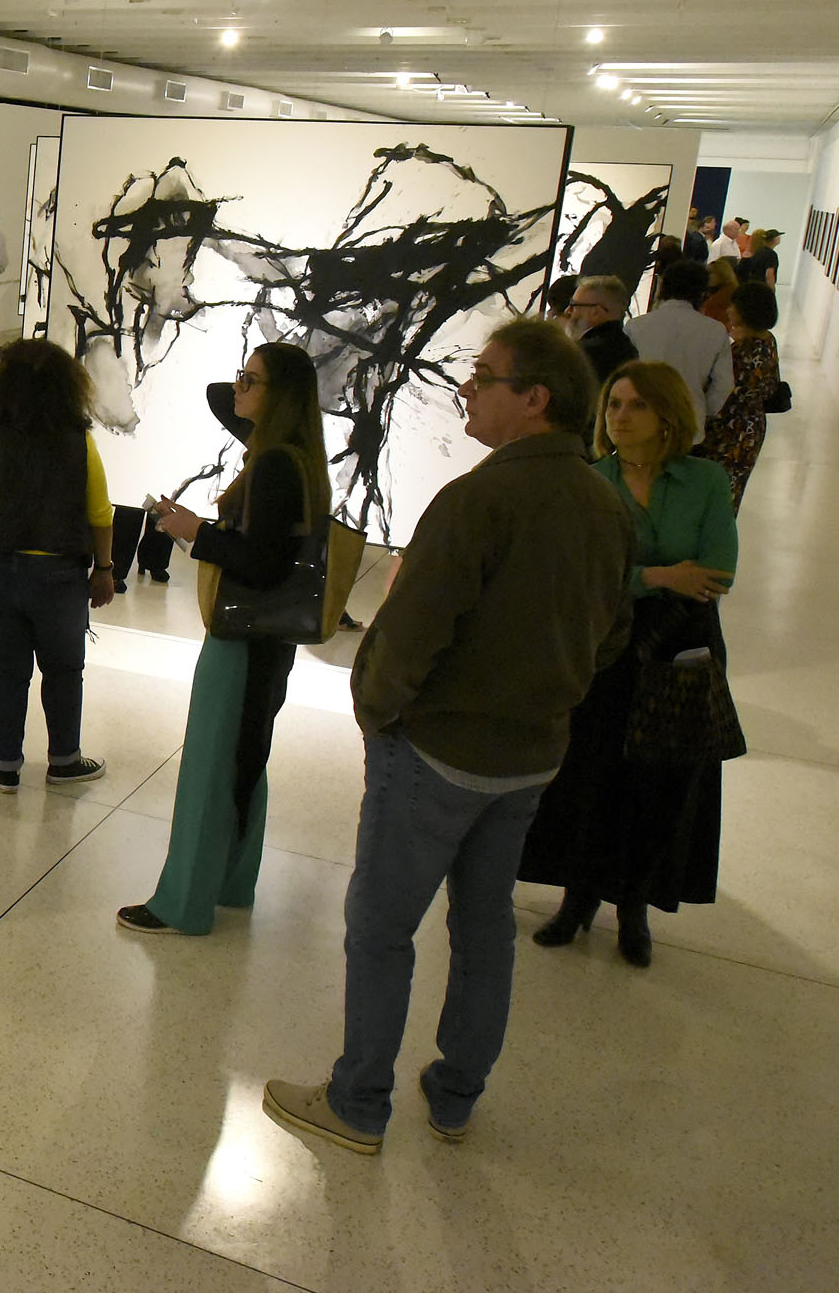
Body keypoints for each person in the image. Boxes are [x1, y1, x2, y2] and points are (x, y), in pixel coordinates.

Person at [261, 320, 634, 1155]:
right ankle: (456, 1091)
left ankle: (358, 1100)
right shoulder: (604, 504)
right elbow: (611, 635)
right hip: (530, 757)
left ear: (534, 398)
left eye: (484, 376)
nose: (467, 386)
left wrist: (376, 709)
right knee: (483, 925)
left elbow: (410, 633)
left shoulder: (478, 501)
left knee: (383, 924)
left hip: (437, 755)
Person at [519, 361, 736, 970]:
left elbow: (718, 571)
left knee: (660, 785)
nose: (619, 415)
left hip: (678, 652)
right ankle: (577, 899)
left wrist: (629, 580)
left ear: (668, 415)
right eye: (613, 403)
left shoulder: (706, 482)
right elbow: (578, 571)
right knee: (590, 774)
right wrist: (662, 576)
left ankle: (634, 907)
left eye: (636, 404)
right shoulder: (591, 481)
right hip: (603, 645)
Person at [115, 343, 329, 936]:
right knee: (243, 757)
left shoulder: (277, 465)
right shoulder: (295, 456)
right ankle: (231, 880)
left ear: (281, 396)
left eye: (251, 380)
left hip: (241, 634)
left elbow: (261, 563)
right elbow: (221, 399)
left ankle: (183, 902)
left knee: (212, 765)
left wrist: (195, 531)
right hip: (267, 636)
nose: (235, 388)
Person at [0, 340, 113, 791]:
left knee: (5, 670)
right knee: (62, 669)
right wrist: (105, 568)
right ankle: (64, 760)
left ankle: (6, 764)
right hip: (59, 574)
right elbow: (101, 515)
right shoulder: (80, 443)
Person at [625, 259, 733, 437]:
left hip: (641, 415)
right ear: (702, 292)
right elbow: (724, 384)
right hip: (689, 419)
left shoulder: (635, 326)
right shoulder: (715, 330)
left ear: (663, 287)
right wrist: (704, 409)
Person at [702, 283, 778, 511]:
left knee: (716, 489)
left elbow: (720, 389)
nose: (728, 309)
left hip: (730, 428)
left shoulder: (741, 351)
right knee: (731, 490)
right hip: (752, 425)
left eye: (733, 304)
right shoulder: (767, 341)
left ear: (745, 310)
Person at [566, 275, 639, 396]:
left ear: (595, 312)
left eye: (574, 305)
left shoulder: (582, 353)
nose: (567, 311)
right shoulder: (629, 349)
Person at [700, 256, 739, 325]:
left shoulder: (726, 296)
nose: (706, 276)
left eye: (710, 273)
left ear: (721, 275)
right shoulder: (710, 292)